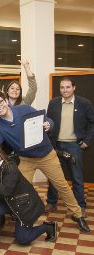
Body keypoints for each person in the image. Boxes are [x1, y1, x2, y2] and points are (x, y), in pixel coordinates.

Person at [0, 90, 91, 233]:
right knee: (17, 190)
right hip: (26, 159)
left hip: (47, 155)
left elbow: (46, 119)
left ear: (6, 101)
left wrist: (49, 124)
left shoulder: (24, 109)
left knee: (62, 186)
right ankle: (21, 216)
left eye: (0, 102)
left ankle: (78, 215)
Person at [45, 77, 94, 218]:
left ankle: (80, 207)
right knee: (54, 176)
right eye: (62, 87)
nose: (65, 90)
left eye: (67, 87)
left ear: (74, 88)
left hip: (74, 146)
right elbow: (48, 122)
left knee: (76, 177)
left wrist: (87, 141)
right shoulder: (54, 103)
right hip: (55, 145)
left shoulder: (84, 103)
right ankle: (51, 202)